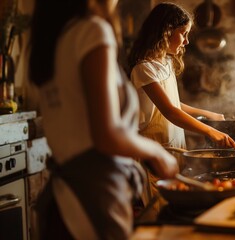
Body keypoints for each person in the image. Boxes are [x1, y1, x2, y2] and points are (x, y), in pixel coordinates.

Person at [28, 0, 179, 239]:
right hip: (93, 200)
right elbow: (107, 135)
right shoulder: (92, 31)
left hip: (63, 201)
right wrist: (158, 153)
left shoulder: (56, 39)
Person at [127, 2, 235, 150]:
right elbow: (170, 112)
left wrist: (209, 115)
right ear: (166, 32)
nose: (187, 41)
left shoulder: (167, 62)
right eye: (183, 34)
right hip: (153, 149)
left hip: (173, 145)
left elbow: (174, 104)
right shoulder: (144, 69)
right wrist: (210, 131)